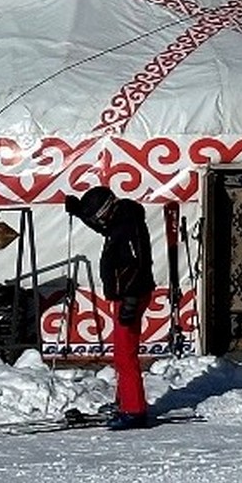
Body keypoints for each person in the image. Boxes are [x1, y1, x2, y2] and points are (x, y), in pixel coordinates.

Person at [69, 182, 157, 429]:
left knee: (124, 356)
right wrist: (80, 213)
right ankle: (126, 401)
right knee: (122, 354)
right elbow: (104, 229)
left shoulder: (128, 226)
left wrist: (130, 299)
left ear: (108, 209)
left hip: (131, 295)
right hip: (127, 295)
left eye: (97, 215)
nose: (99, 221)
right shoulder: (121, 220)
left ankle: (134, 410)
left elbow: (139, 263)